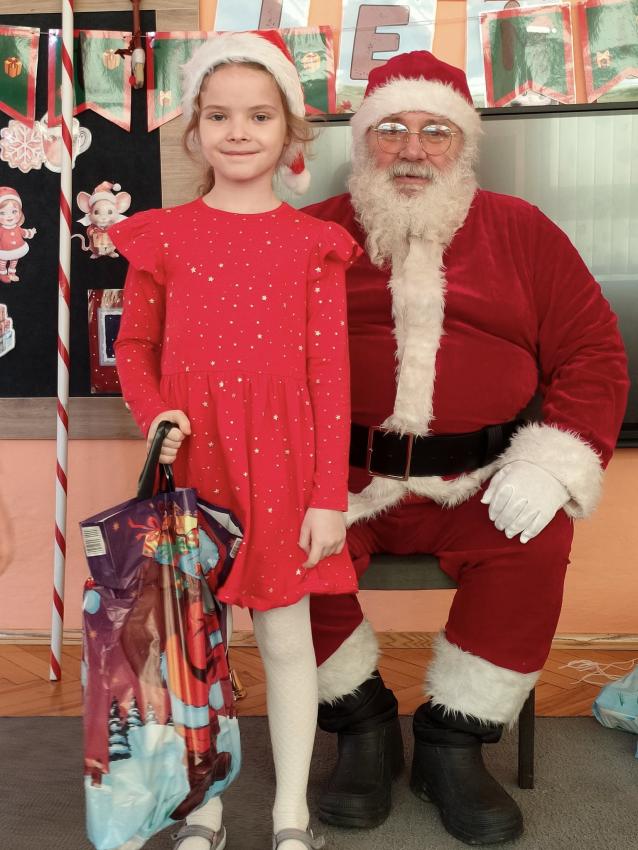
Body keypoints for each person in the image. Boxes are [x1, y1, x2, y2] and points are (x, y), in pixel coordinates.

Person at [303, 51, 629, 845]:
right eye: (391, 129)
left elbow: (593, 351)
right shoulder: (310, 234)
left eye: (435, 131)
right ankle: (362, 724)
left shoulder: (524, 231)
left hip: (481, 478)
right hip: (341, 478)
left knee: (536, 541)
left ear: (463, 144)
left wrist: (552, 463)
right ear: (363, 140)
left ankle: (454, 740)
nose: (412, 149)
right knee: (280, 544)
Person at [111, 31, 361, 850]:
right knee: (195, 644)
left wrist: (328, 496)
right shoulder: (164, 235)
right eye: (219, 115)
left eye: (259, 115)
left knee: (286, 640)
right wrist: (156, 413)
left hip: (286, 471)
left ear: (291, 131)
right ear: (194, 129)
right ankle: (204, 808)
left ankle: (291, 813)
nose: (239, 131)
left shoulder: (313, 245)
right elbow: (134, 347)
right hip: (193, 465)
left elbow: (332, 378)